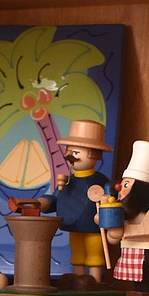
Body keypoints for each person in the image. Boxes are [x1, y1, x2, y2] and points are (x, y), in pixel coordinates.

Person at [39, 120, 111, 286]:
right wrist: (45, 202)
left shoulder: (100, 181)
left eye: (76, 152)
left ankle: (95, 280)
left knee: (94, 253)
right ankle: (78, 278)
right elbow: (57, 198)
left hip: (94, 227)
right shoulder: (67, 181)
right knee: (77, 253)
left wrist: (106, 210)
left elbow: (110, 200)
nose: (70, 156)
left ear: (94, 155)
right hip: (72, 224)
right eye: (69, 151)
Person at [102, 139, 149, 296]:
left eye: (126, 185)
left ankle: (147, 295)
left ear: (141, 191)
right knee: (137, 282)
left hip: (147, 253)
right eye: (122, 185)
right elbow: (114, 238)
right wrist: (110, 230)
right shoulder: (124, 214)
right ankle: (140, 295)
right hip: (130, 251)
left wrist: (121, 231)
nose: (120, 190)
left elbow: (144, 229)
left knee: (146, 278)